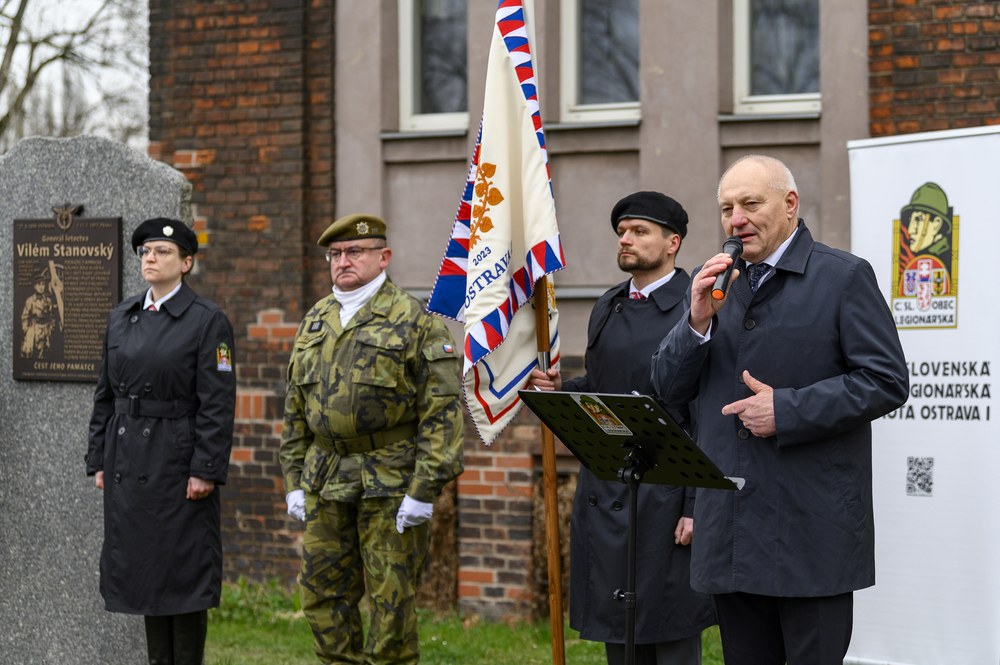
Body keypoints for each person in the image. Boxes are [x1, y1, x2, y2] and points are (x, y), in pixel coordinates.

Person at [650, 155, 908, 665]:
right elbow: (667, 388)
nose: (736, 219)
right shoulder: (716, 285)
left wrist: (786, 410)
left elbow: (886, 381)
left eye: (750, 204)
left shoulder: (843, 277)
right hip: (733, 530)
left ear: (790, 205)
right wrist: (696, 322)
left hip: (811, 529)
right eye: (726, 208)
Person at [528, 191, 715, 665]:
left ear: (673, 242)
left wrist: (696, 505)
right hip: (610, 485)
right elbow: (602, 384)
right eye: (621, 232)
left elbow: (705, 409)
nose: (625, 240)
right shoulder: (608, 305)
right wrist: (562, 390)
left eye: (639, 232)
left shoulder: (696, 307)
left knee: (669, 631)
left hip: (670, 490)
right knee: (620, 634)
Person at [279, 213, 464, 665]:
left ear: (384, 257)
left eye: (355, 252)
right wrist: (293, 479)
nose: (344, 261)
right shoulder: (316, 319)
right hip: (325, 479)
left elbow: (441, 413)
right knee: (322, 595)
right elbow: (296, 411)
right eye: (336, 254)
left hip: (391, 481)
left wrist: (424, 490)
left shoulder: (415, 320)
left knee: (391, 603)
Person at [86, 218, 236, 665]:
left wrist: (205, 468)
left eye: (163, 252)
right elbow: (105, 395)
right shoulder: (122, 316)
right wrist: (98, 458)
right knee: (147, 576)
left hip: (177, 463)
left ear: (186, 263)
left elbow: (217, 402)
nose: (150, 258)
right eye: (145, 252)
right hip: (129, 462)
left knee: (183, 577)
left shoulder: (207, 320)